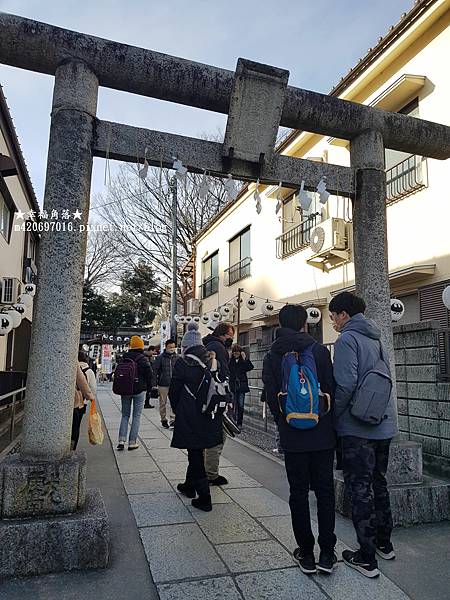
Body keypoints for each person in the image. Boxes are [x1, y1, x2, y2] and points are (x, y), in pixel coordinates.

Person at [262, 304, 337, 575]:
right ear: (304, 324)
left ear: (280, 324)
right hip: (322, 434)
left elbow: (271, 397)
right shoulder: (318, 350)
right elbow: (331, 388)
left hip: (293, 436)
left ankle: (306, 553)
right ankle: (327, 553)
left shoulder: (273, 355)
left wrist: (285, 422)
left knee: (298, 493)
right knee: (325, 493)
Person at [329, 292, 398, 578]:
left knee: (360, 488)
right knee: (379, 483)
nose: (332, 321)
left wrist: (333, 418)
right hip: (384, 422)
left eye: (333, 316)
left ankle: (366, 557)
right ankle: (384, 543)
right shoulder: (375, 336)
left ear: (344, 314)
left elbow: (345, 385)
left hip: (358, 427)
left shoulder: (348, 339)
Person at [169, 325, 223, 512]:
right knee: (197, 449)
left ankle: (204, 497)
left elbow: (174, 391)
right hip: (210, 412)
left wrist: (178, 410)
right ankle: (188, 485)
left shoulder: (182, 362)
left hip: (190, 413)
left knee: (195, 453)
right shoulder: (212, 359)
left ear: (186, 346)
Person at [202, 322, 235, 486]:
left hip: (203, 398)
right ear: (223, 334)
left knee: (205, 435)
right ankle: (211, 474)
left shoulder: (204, 344)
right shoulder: (219, 348)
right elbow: (222, 376)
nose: (231, 339)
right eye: (230, 335)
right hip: (217, 398)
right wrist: (228, 398)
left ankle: (202, 470)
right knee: (218, 436)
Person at [116, 335, 153, 451]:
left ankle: (121, 441)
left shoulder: (124, 358)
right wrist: (148, 388)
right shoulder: (143, 359)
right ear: (141, 346)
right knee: (136, 416)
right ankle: (132, 442)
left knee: (125, 415)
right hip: (139, 390)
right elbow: (149, 375)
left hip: (125, 389)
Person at [72, 351, 96, 450]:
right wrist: (90, 397)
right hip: (79, 403)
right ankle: (72, 448)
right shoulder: (88, 371)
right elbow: (88, 386)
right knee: (75, 427)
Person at [153, 339, 180, 428]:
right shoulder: (160, 357)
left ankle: (173, 419)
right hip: (163, 383)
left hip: (174, 383)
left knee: (174, 402)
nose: (172, 349)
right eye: (170, 347)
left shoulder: (177, 358)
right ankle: (163, 419)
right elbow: (155, 370)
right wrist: (154, 383)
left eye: (173, 347)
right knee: (162, 403)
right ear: (166, 347)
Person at [229, 344, 254, 427]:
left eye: (237, 352)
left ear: (240, 353)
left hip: (241, 386)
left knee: (240, 405)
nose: (236, 354)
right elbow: (226, 368)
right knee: (232, 404)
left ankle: (239, 423)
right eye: (234, 352)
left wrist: (245, 359)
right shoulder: (230, 361)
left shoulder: (243, 361)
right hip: (232, 385)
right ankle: (233, 421)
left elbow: (250, 367)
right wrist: (229, 358)